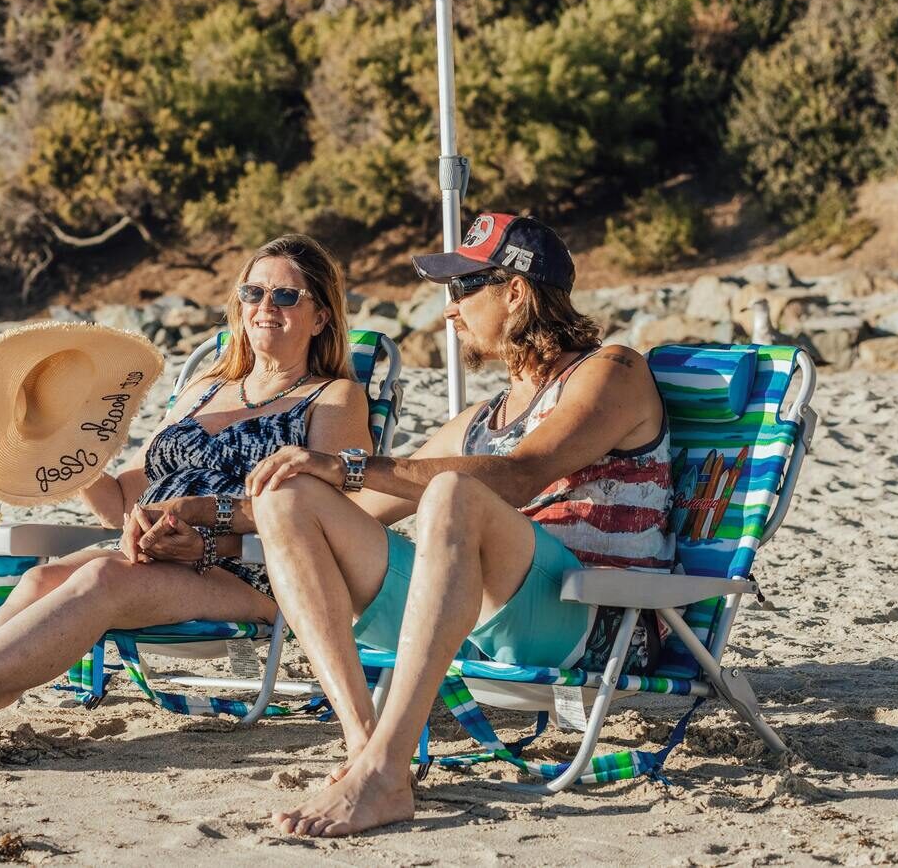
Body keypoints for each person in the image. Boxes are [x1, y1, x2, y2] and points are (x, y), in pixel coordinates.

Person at [245, 213, 673, 837]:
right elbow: (351, 519)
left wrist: (349, 463)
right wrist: (212, 523)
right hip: (476, 617)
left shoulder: (613, 372)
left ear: (517, 292)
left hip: (596, 620)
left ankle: (387, 773)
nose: (450, 312)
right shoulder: (480, 419)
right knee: (291, 498)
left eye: (463, 290)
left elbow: (526, 473)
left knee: (452, 491)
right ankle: (365, 743)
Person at [0, 233, 373, 763]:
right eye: (253, 293)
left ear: (320, 317)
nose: (264, 307)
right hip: (148, 553)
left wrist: (207, 540)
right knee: (40, 578)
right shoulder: (205, 388)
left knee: (101, 578)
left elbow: (322, 518)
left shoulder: (333, 397)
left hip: (249, 573)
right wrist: (62, 439)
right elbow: (118, 504)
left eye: (286, 297)